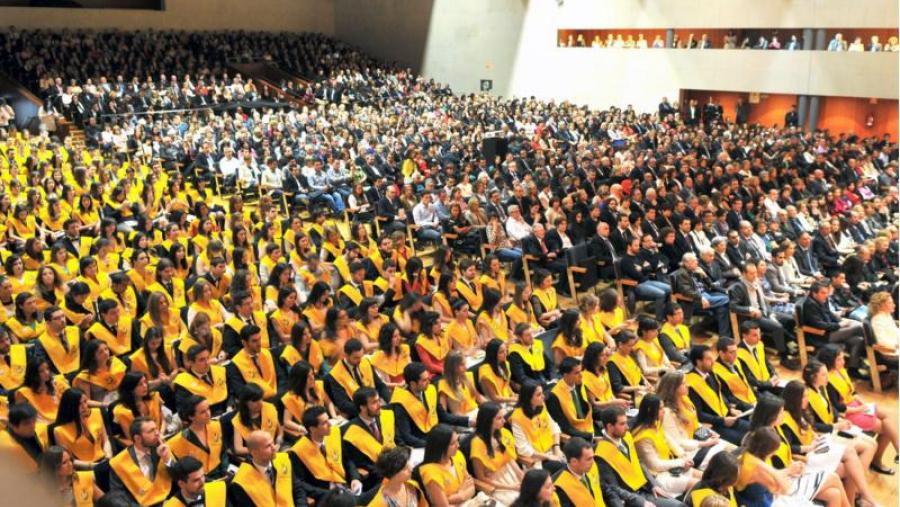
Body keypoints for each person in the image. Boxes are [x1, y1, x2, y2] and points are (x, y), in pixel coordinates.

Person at [748, 393, 849, 507]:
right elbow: (767, 475)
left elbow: (786, 454)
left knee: (834, 494)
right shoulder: (761, 439)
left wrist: (794, 464)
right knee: (834, 478)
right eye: (781, 412)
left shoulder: (775, 429)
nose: (783, 415)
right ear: (771, 416)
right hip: (780, 486)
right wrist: (790, 470)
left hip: (789, 476)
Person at [817, 346, 898, 474]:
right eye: (839, 359)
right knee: (886, 428)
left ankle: (896, 452)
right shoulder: (827, 380)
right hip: (848, 413)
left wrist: (864, 404)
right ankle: (876, 461)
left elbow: (852, 392)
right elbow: (837, 407)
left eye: (843, 358)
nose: (843, 361)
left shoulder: (840, 371)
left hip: (856, 405)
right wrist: (859, 409)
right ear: (829, 361)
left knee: (890, 416)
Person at [594, 406, 686, 507]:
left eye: (626, 422)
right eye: (622, 424)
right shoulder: (601, 454)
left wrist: (653, 485)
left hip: (646, 488)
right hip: (632, 499)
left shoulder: (626, 437)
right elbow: (613, 489)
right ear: (610, 427)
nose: (627, 427)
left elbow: (638, 462)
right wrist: (641, 502)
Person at [656, 371, 732, 470]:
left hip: (697, 440)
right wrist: (706, 443)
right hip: (687, 452)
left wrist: (709, 433)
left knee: (732, 449)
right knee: (728, 460)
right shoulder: (666, 412)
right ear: (673, 388)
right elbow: (678, 442)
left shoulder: (685, 400)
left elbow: (695, 424)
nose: (687, 385)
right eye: (683, 383)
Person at [632, 394, 703, 497]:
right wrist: (681, 462)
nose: (664, 411)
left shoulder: (656, 425)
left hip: (671, 467)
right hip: (659, 477)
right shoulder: (642, 438)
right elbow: (655, 465)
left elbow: (670, 442)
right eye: (660, 408)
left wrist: (683, 456)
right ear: (650, 411)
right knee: (701, 485)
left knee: (707, 477)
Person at [391, 362, 470, 448]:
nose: (429, 382)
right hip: (421, 443)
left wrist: (468, 421)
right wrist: (432, 445)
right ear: (413, 383)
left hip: (437, 435)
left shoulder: (430, 390)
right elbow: (407, 436)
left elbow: (443, 416)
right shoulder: (400, 403)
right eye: (424, 380)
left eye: (428, 378)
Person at [685, 345, 749, 445]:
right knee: (743, 440)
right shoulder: (690, 383)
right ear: (699, 362)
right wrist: (722, 421)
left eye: (712, 358)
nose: (713, 362)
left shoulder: (711, 374)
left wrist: (730, 408)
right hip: (712, 425)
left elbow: (719, 394)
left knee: (753, 429)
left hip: (726, 417)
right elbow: (699, 414)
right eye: (708, 359)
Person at [800, 282, 866, 377]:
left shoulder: (823, 299)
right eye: (823, 293)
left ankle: (853, 369)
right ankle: (876, 356)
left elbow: (829, 313)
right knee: (860, 327)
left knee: (858, 340)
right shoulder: (809, 305)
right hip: (821, 335)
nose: (826, 295)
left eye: (826, 292)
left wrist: (840, 321)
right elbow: (819, 325)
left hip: (831, 331)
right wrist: (839, 325)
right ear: (814, 293)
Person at [228, 430, 305, 507]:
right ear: (254, 452)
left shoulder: (283, 460)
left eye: (273, 443)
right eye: (268, 446)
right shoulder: (241, 482)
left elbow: (298, 489)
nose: (274, 448)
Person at [108, 417, 173, 507]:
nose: (157, 433)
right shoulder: (119, 462)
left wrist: (167, 459)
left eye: (156, 429)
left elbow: (179, 477)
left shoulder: (161, 449)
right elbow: (118, 496)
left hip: (166, 501)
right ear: (138, 438)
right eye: (151, 431)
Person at [342, 387, 396, 491]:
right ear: (362, 407)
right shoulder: (349, 431)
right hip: (375, 478)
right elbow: (357, 462)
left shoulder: (386, 416)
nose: (379, 405)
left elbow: (398, 441)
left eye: (379, 400)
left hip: (396, 464)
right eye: (374, 402)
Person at [325, 338, 391, 418]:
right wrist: (366, 410)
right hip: (357, 413)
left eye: (361, 356)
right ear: (346, 355)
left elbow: (380, 385)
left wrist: (390, 401)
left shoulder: (365, 362)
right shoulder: (335, 375)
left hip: (375, 404)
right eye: (356, 358)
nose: (359, 360)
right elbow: (343, 404)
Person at [167, 395, 228, 480]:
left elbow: (223, 452)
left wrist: (225, 471)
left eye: (208, 409)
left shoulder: (216, 425)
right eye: (203, 412)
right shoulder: (178, 442)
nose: (208, 414)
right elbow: (177, 471)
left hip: (222, 474)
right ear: (191, 417)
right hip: (200, 481)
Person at [417, 425, 480, 507]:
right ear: (440, 447)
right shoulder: (430, 472)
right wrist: (461, 494)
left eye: (457, 440)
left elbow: (472, 487)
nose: (458, 445)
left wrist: (458, 497)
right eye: (453, 443)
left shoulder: (458, 456)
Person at [509, 380, 564, 468]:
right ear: (528, 398)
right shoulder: (517, 418)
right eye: (538, 395)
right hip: (537, 459)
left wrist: (556, 448)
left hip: (553, 450)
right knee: (564, 468)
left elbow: (554, 427)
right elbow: (523, 449)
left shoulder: (541, 406)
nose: (543, 396)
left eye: (542, 393)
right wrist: (548, 457)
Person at [552, 437, 613, 507]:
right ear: (574, 462)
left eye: (592, 457)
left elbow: (607, 491)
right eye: (589, 459)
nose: (593, 461)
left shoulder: (591, 468)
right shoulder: (560, 486)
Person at [546, 356, 595, 441]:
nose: (581, 375)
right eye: (577, 373)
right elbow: (564, 426)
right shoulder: (554, 396)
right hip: (574, 436)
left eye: (581, 371)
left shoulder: (579, 385)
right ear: (566, 375)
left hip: (590, 427)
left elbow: (589, 410)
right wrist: (590, 436)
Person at [39, 445, 104, 506]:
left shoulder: (83, 478)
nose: (70, 464)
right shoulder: (44, 492)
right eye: (64, 463)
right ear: (53, 468)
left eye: (70, 460)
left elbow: (104, 501)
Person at [225, 324, 278, 400]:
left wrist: (280, 395)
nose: (259, 343)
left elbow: (281, 377)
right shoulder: (234, 365)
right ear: (244, 343)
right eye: (254, 341)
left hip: (277, 396)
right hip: (257, 401)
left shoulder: (267, 353)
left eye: (259, 339)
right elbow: (241, 392)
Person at [735, 321, 781, 394]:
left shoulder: (760, 344)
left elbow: (766, 362)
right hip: (757, 390)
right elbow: (749, 379)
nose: (759, 337)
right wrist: (769, 384)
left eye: (759, 333)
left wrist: (773, 374)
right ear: (744, 336)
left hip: (768, 382)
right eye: (755, 335)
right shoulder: (738, 354)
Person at [0, 402, 48, 473]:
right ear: (13, 426)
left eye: (34, 421)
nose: (33, 426)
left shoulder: (40, 429)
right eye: (26, 423)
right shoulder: (4, 445)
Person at [163, 456, 229, 507]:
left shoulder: (217, 491)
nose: (202, 482)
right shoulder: (172, 505)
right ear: (181, 484)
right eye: (196, 480)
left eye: (203, 476)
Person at [712, 338, 757, 410]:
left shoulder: (737, 361)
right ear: (721, 353)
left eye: (736, 351)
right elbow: (727, 396)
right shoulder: (715, 371)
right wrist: (746, 405)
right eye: (731, 352)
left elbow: (746, 381)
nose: (735, 355)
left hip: (752, 397)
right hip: (740, 404)